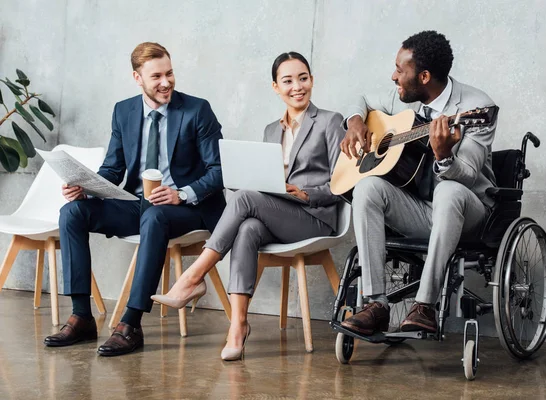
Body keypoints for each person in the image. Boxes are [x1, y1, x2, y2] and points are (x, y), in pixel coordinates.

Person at [152, 51, 345, 360]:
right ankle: (238, 326)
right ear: (275, 87)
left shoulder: (330, 121)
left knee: (244, 200)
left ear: (312, 80)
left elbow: (342, 183)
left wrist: (305, 193)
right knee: (248, 227)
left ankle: (192, 278)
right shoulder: (271, 130)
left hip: (315, 216)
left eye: (303, 78)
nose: (297, 86)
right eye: (288, 80)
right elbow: (266, 179)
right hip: (279, 214)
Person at [43, 42, 226, 356]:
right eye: (156, 76)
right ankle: (81, 316)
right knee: (72, 212)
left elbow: (220, 169)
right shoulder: (124, 110)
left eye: (169, 73)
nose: (166, 82)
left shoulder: (197, 110)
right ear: (137, 78)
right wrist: (86, 187)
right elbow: (113, 168)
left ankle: (131, 324)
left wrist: (181, 193)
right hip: (137, 203)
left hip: (188, 208)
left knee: (154, 216)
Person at [339, 31, 497, 335]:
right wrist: (355, 122)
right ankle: (376, 305)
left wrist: (444, 156)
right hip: (422, 211)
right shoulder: (405, 100)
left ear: (423, 76)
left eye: (401, 70)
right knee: (368, 187)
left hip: (469, 214)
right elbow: (361, 99)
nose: (393, 76)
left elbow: (469, 172)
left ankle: (425, 305)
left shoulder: (477, 107)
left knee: (449, 190)